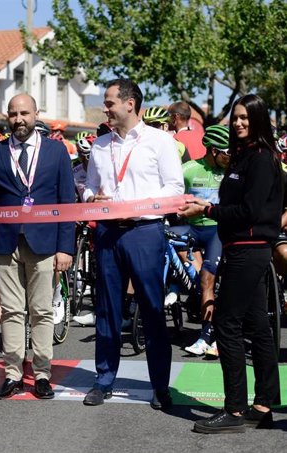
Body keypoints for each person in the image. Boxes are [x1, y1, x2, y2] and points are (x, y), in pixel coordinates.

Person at [180, 94, 282, 434]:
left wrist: (205, 210)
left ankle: (234, 410)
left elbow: (250, 212)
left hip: (251, 250)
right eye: (235, 117)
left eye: (245, 118)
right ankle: (264, 404)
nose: (238, 122)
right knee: (257, 326)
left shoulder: (263, 159)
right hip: (240, 248)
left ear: (258, 119)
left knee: (226, 325)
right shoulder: (242, 157)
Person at [82, 79, 184, 409]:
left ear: (130, 103)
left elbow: (174, 189)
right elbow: (88, 188)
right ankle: (104, 379)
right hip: (108, 234)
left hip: (145, 233)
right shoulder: (100, 145)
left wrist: (140, 204)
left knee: (152, 309)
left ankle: (160, 386)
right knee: (107, 310)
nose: (105, 108)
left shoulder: (160, 141)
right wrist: (90, 197)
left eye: (110, 102)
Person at [0, 93, 76, 400]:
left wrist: (66, 248)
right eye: (12, 114)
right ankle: (12, 374)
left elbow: (67, 202)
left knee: (42, 310)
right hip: (5, 244)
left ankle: (43, 374)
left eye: (24, 113)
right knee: (11, 311)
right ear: (6, 117)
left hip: (45, 243)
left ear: (35, 114)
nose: (18, 119)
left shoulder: (56, 152)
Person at [166, 125, 230, 357]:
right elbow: (171, 199)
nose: (229, 156)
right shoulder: (188, 169)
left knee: (207, 278)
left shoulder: (233, 171)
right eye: (226, 151)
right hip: (192, 227)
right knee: (162, 238)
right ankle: (174, 284)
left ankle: (206, 336)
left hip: (218, 231)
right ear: (213, 150)